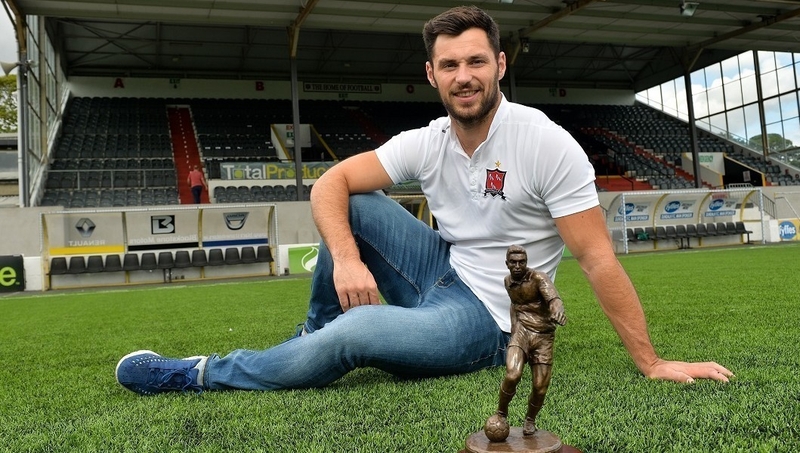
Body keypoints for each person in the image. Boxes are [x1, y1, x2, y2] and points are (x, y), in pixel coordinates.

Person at [115, 5, 733, 396]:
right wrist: (348, 259)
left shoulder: (546, 144)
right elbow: (331, 184)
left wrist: (650, 362)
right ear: (432, 74)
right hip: (441, 270)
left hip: (490, 321)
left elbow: (598, 259)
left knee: (355, 334)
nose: (464, 75)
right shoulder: (428, 140)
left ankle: (198, 373)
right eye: (449, 64)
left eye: (475, 61)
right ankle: (309, 336)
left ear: (499, 65)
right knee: (351, 207)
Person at [487, 245, 566, 440]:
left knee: (540, 386)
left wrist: (557, 310)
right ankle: (501, 413)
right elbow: (515, 305)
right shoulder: (507, 282)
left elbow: (554, 299)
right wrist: (515, 328)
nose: (517, 266)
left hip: (543, 335)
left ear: (526, 262)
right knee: (513, 374)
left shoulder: (539, 279)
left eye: (521, 262)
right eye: (513, 262)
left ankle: (530, 419)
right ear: (507, 264)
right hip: (521, 332)